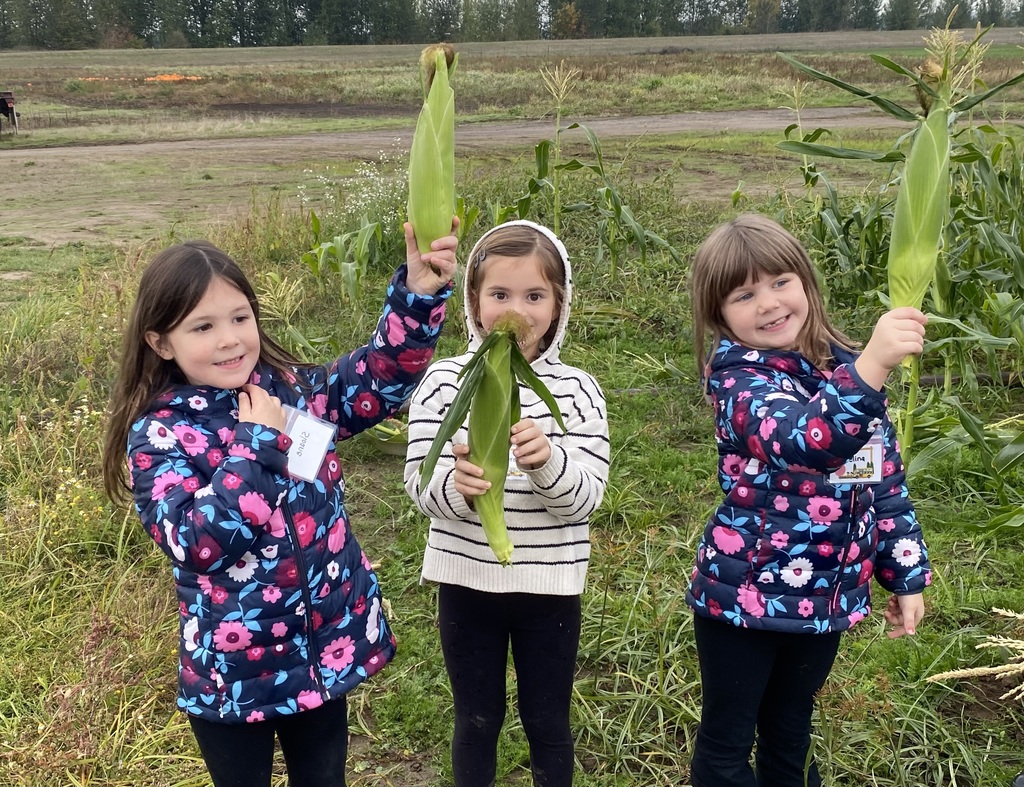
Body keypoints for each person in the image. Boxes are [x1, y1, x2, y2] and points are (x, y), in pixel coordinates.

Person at [100, 222, 458, 787]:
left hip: (321, 652)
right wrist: (257, 443)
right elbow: (196, 542)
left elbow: (376, 380)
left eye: (240, 317)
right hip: (235, 675)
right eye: (203, 326)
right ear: (161, 342)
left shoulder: (288, 390)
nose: (230, 339)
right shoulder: (161, 436)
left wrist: (416, 297)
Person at [685, 213, 931, 787]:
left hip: (825, 597)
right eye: (744, 295)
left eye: (780, 282)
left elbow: (884, 486)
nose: (768, 303)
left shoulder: (843, 370)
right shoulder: (738, 380)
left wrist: (905, 575)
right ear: (719, 315)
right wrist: (871, 369)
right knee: (727, 742)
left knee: (791, 730)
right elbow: (806, 441)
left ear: (805, 283)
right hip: (745, 599)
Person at [404, 220, 610, 787]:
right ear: (474, 300)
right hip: (466, 585)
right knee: (476, 719)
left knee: (547, 720)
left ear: (559, 303)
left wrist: (547, 463)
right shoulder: (443, 382)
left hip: (550, 590)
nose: (516, 310)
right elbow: (419, 483)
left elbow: (585, 500)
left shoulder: (577, 391)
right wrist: (459, 487)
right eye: (499, 294)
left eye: (534, 296)